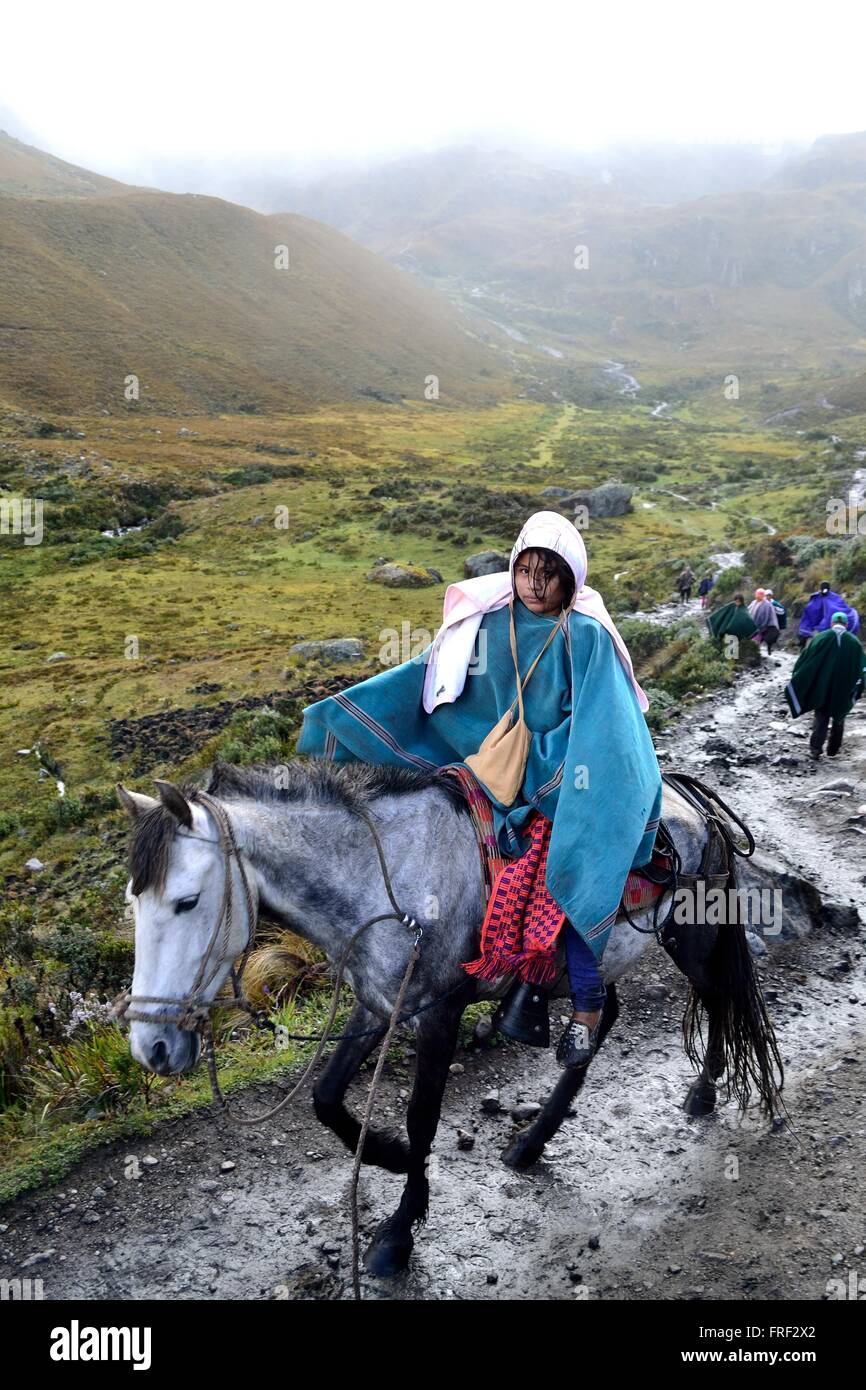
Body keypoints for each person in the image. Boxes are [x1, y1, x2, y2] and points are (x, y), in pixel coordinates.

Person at [296, 511, 662, 1070]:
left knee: (570, 866)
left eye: (550, 574)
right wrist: (340, 717)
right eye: (527, 570)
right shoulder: (484, 626)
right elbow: (422, 680)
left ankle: (583, 1007)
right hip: (486, 778)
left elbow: (604, 727)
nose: (535, 584)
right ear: (513, 568)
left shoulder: (585, 638)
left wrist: (545, 773)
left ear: (572, 581)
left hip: (562, 779)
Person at [785, 612, 866, 759]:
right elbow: (862, 668)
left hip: (823, 685)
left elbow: (806, 660)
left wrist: (801, 677)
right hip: (843, 687)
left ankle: (815, 749)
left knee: (821, 714)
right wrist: (858, 685)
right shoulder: (854, 642)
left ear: (831, 623)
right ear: (847, 625)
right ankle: (833, 749)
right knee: (840, 714)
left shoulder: (821, 638)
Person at [798, 581, 860, 647]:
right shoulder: (835, 597)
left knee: (811, 644)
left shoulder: (819, 598)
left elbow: (810, 614)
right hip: (837, 628)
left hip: (823, 630)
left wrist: (806, 631)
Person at [748, 588, 780, 653]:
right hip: (755, 626)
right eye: (756, 595)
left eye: (759, 596)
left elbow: (766, 617)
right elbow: (748, 611)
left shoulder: (767, 604)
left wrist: (761, 627)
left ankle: (755, 652)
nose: (757, 597)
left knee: (757, 640)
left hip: (765, 627)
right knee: (754, 639)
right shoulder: (754, 602)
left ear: (762, 596)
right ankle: (754, 652)